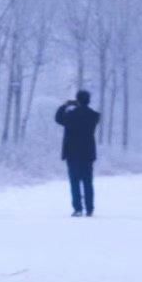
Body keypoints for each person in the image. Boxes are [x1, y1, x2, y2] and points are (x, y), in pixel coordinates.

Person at [56, 89, 100, 217]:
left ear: (77, 100)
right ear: (89, 100)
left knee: (74, 181)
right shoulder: (94, 116)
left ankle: (78, 209)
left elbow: (58, 118)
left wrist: (65, 105)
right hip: (87, 153)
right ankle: (90, 209)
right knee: (88, 181)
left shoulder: (70, 115)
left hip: (72, 153)